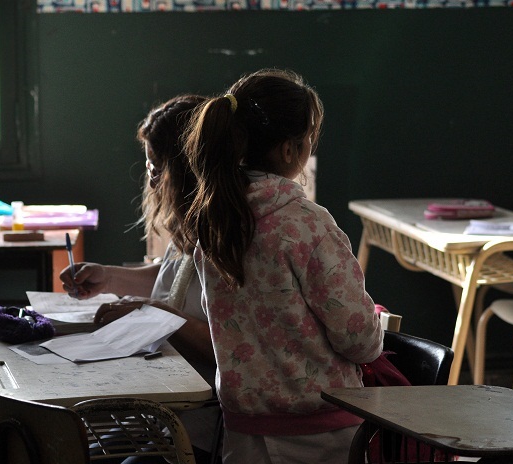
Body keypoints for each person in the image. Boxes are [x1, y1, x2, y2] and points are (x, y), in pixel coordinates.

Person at [182, 69, 384, 464]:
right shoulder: (306, 223)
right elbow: (359, 339)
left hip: (244, 434)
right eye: (310, 138)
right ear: (291, 151)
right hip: (323, 434)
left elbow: (220, 317)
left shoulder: (216, 223)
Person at [59, 94, 219, 463]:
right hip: (162, 403)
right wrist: (109, 277)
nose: (150, 176)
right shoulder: (188, 224)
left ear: (183, 168)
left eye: (155, 164)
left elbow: (225, 345)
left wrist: (153, 311)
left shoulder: (223, 235)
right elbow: (173, 283)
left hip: (204, 419)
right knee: (77, 448)